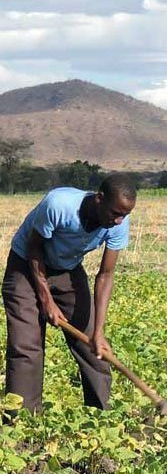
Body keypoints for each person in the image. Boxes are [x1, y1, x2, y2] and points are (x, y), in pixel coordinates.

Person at [2, 174, 136, 412]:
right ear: (99, 199)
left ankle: (100, 415)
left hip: (67, 271)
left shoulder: (118, 224)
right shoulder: (59, 205)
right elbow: (34, 248)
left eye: (124, 215)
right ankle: (22, 423)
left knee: (94, 346)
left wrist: (98, 330)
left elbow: (105, 275)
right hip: (25, 265)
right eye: (115, 213)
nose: (118, 220)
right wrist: (46, 300)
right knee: (26, 347)